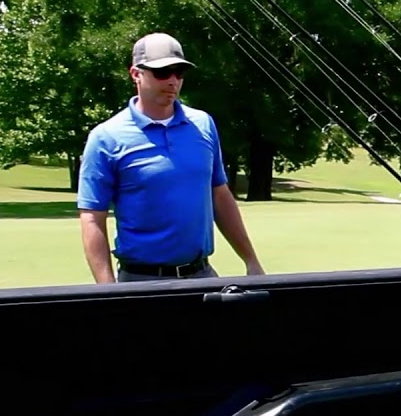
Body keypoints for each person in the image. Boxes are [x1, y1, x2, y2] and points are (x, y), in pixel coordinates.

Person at [76, 32, 264, 283]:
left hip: (202, 275)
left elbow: (219, 194)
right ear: (136, 74)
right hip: (140, 281)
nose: (173, 80)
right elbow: (92, 217)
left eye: (179, 72)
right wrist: (108, 290)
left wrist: (251, 261)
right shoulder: (106, 137)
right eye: (162, 72)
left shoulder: (202, 124)